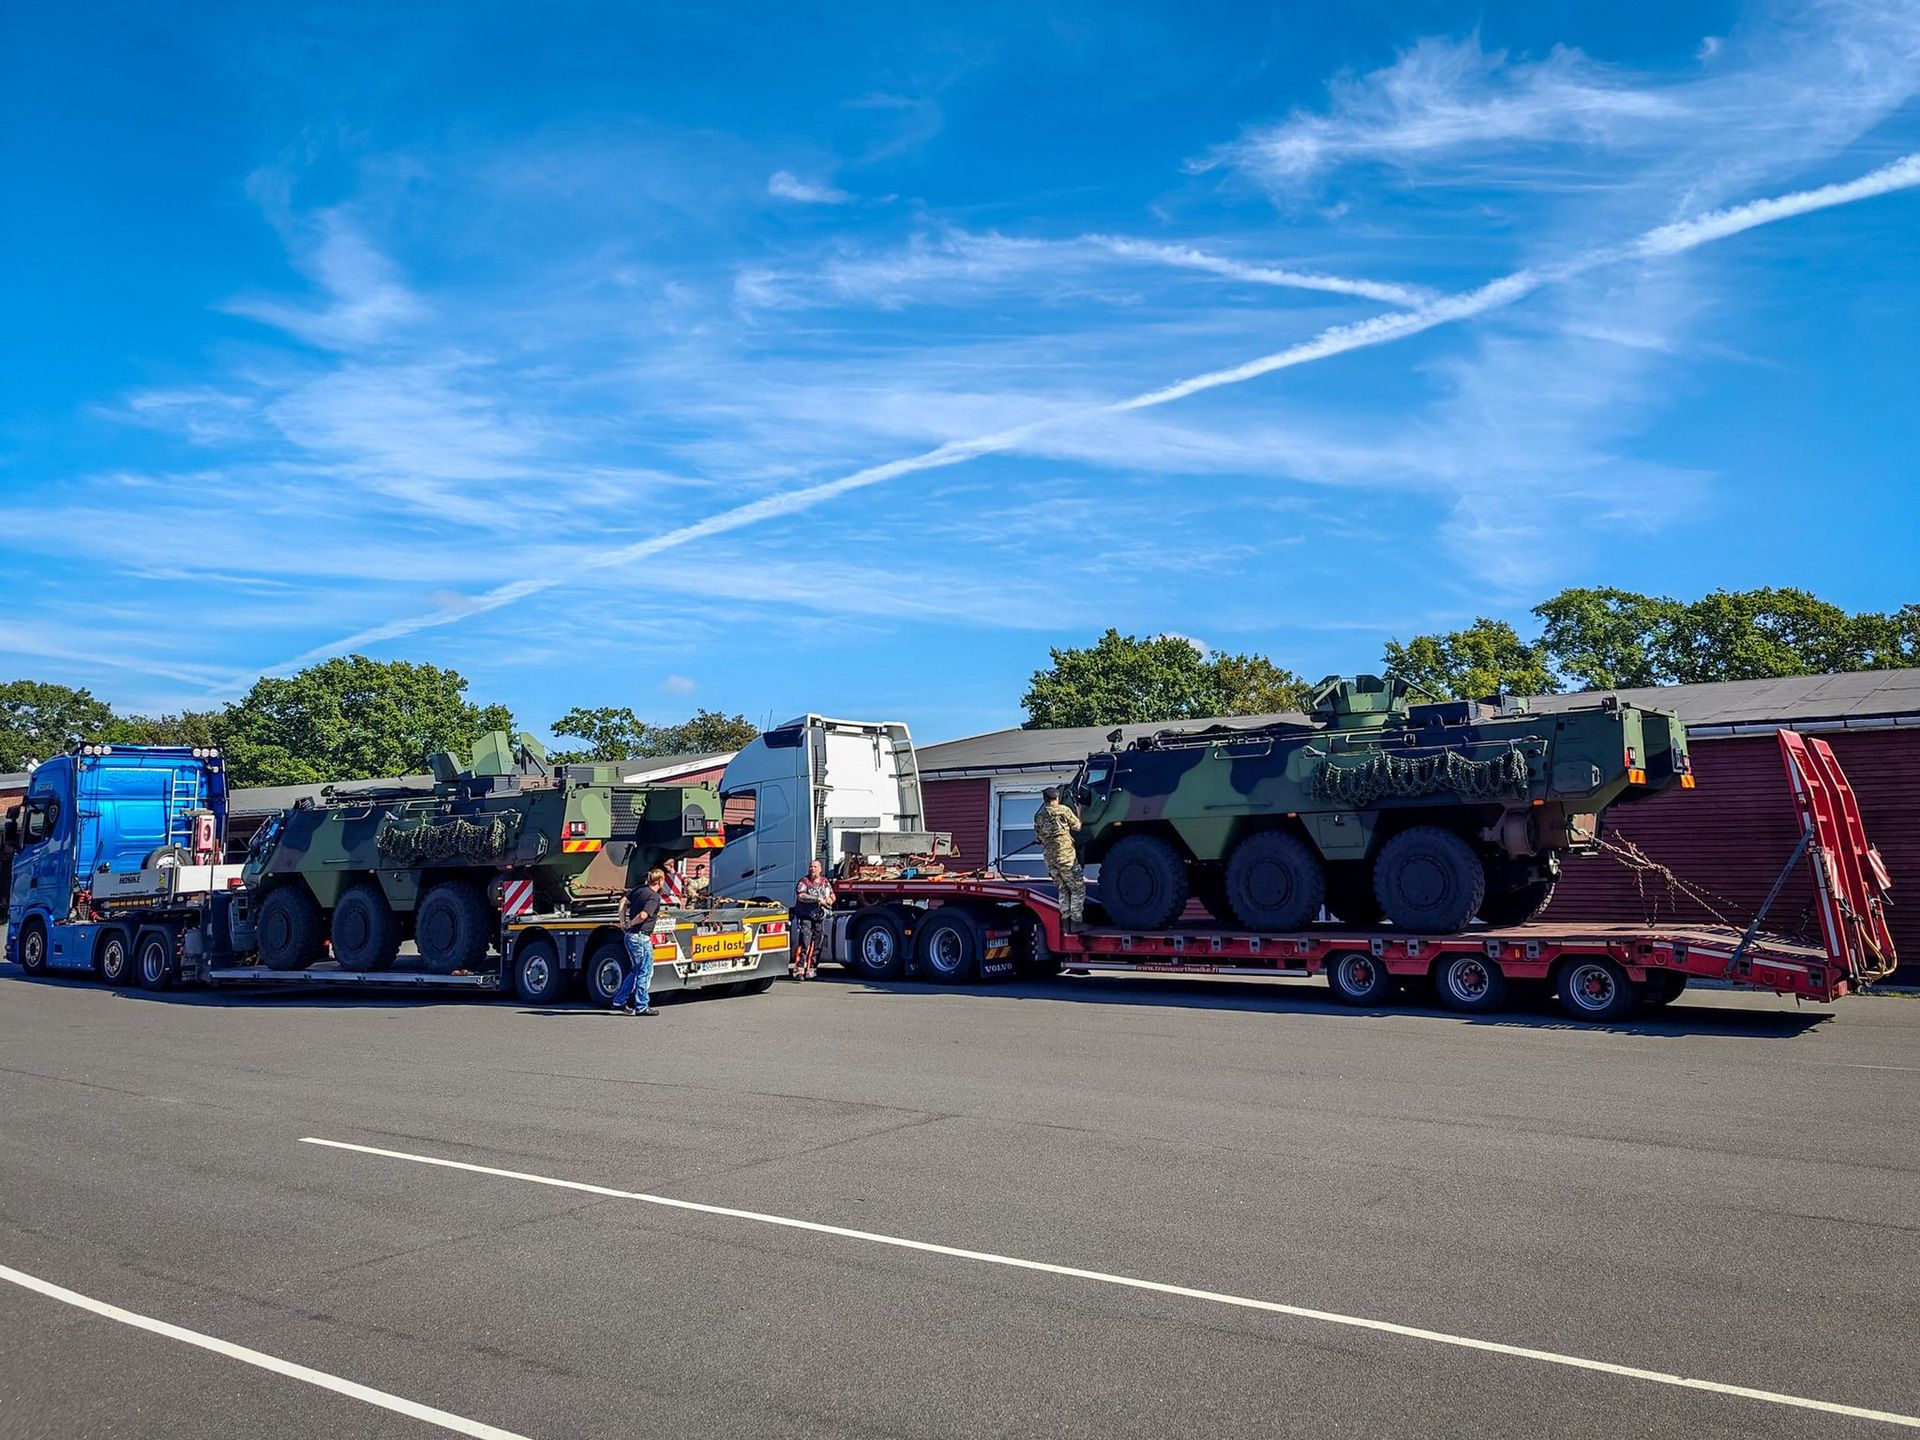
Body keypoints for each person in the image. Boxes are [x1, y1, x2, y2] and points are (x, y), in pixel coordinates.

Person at [612, 867, 665, 1015]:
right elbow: (643, 915)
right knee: (644, 971)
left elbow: (622, 901)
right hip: (641, 937)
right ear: (660, 881)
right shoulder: (654, 897)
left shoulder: (639, 890)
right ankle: (641, 1005)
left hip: (630, 937)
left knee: (635, 970)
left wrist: (622, 922)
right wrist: (630, 923)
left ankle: (619, 1001)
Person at [1033, 786, 1085, 930]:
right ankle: (1076, 923)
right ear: (1057, 798)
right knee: (1077, 888)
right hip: (1065, 855)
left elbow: (1040, 835)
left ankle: (1066, 922)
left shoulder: (1039, 815)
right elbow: (1078, 826)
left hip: (1050, 857)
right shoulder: (1063, 810)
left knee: (1062, 888)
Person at [792, 860, 835, 980]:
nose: (812, 869)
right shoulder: (804, 881)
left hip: (819, 917)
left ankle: (812, 969)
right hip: (805, 916)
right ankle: (799, 970)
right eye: (811, 867)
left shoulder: (825, 881)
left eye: (815, 867)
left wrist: (830, 900)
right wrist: (816, 899)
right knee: (805, 941)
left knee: (818, 942)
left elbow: (832, 894)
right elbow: (801, 895)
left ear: (820, 869)